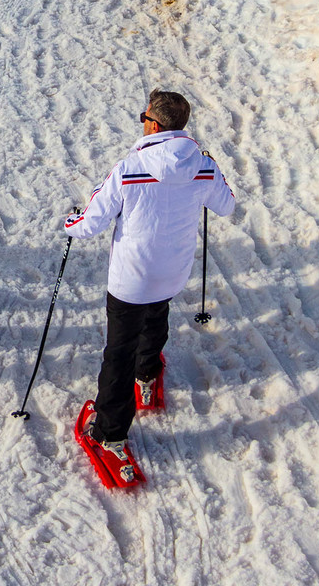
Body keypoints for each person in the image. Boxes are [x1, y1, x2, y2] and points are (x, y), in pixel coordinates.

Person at [64, 88, 234, 462]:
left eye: (144, 118)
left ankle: (110, 432)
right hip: (173, 272)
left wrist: (69, 223)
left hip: (132, 278)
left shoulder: (128, 169)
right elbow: (226, 204)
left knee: (118, 353)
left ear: (153, 125)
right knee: (157, 315)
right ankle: (148, 374)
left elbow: (89, 223)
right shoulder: (202, 165)